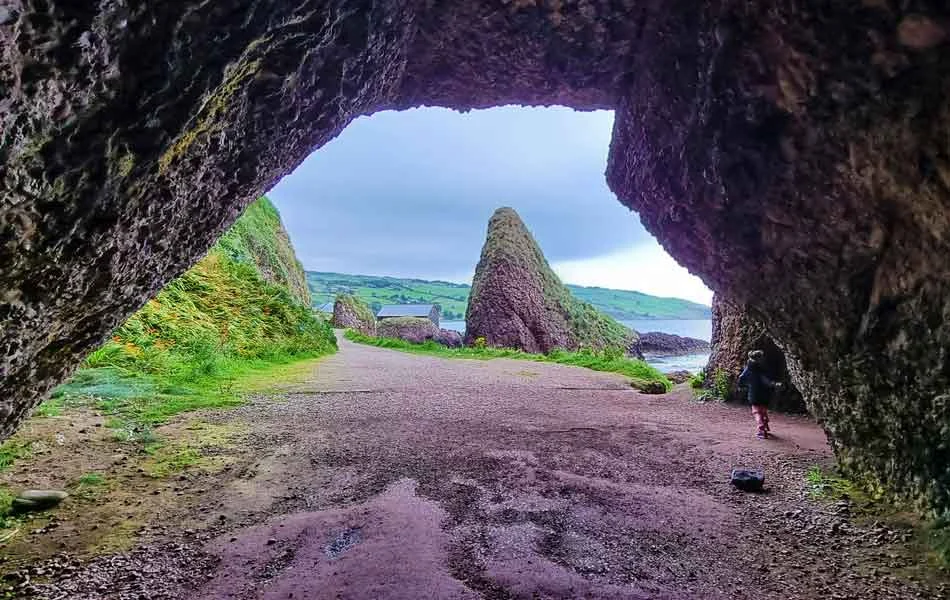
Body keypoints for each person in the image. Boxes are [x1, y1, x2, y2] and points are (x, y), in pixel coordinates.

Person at [737, 349, 783, 439]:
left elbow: (741, 378)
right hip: (765, 394)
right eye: (762, 357)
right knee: (763, 411)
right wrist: (774, 384)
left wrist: (743, 386)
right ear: (759, 359)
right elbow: (766, 381)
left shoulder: (750, 369)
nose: (764, 359)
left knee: (757, 412)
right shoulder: (762, 369)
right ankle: (765, 426)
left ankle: (761, 429)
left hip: (754, 394)